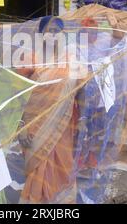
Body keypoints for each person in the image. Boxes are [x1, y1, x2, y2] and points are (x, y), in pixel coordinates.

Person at [16, 16, 84, 204]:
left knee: (61, 166)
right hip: (34, 126)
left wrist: (83, 120)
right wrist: (20, 126)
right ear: (41, 34)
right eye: (50, 31)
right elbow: (18, 96)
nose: (54, 35)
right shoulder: (30, 58)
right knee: (39, 169)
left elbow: (80, 90)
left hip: (63, 126)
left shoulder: (71, 59)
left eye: (58, 31)